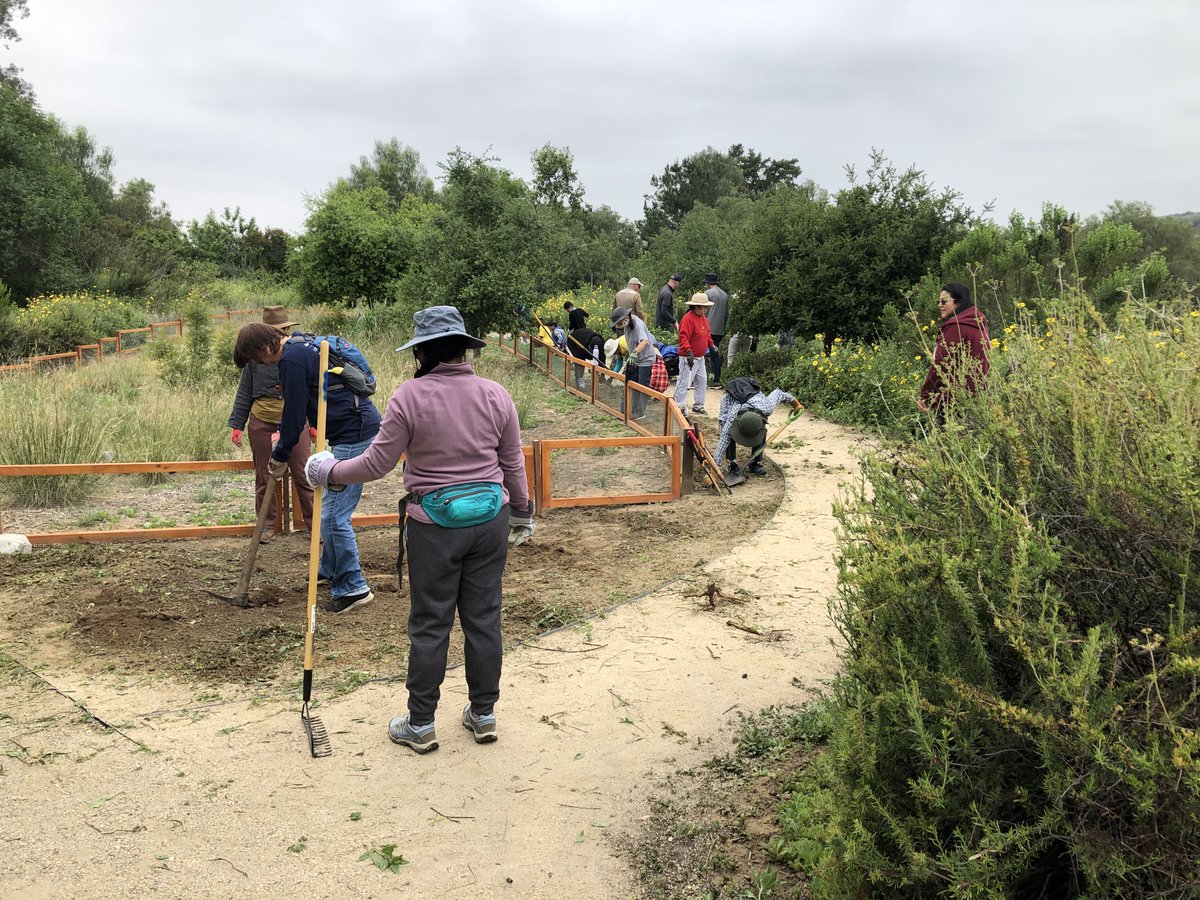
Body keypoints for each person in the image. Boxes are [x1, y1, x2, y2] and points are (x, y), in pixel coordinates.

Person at [304, 306, 532, 755]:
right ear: (465, 348)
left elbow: (375, 464)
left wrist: (329, 471)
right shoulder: (496, 394)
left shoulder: (409, 397)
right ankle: (483, 714)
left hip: (435, 526)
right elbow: (512, 462)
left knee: (431, 622)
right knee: (484, 617)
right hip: (491, 519)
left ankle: (422, 723)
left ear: (423, 351)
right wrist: (522, 510)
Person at [233, 323, 381, 613]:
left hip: (354, 433)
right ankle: (329, 568)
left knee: (335, 516)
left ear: (265, 347)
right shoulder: (305, 345)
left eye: (257, 358)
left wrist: (281, 452)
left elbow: (294, 413)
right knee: (329, 511)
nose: (262, 364)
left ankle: (353, 588)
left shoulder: (291, 358)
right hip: (352, 429)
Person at [226, 306, 314, 543]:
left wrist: (313, 422)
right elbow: (244, 391)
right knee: (264, 477)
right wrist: (237, 423)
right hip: (262, 421)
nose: (280, 335)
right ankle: (266, 526)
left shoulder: (299, 353)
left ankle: (315, 525)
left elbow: (311, 391)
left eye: (283, 330)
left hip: (295, 421)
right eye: (276, 331)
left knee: (304, 474)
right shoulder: (255, 358)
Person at [918, 281, 990, 418]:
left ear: (959, 301)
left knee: (945, 435)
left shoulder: (955, 326)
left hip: (952, 400)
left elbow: (940, 363)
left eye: (944, 301)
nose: (940, 305)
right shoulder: (978, 324)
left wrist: (925, 395)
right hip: (978, 399)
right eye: (938, 301)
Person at [713, 376, 801, 478]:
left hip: (752, 393)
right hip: (732, 395)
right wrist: (715, 469)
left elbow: (779, 393)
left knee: (761, 429)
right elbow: (720, 447)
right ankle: (732, 463)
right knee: (726, 431)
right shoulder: (732, 418)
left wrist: (797, 405)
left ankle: (755, 462)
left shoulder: (766, 407)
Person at [674, 293, 718, 415]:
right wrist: (688, 351)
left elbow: (707, 334)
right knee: (684, 381)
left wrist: (711, 344)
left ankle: (698, 405)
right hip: (688, 357)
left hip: (700, 357)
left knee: (702, 381)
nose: (706, 309)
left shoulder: (703, 318)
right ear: (697, 307)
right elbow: (683, 337)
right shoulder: (688, 318)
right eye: (704, 307)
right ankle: (678, 406)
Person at [612, 305, 657, 419]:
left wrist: (635, 352)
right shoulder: (627, 326)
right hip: (636, 359)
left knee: (642, 385)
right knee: (633, 383)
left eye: (620, 321)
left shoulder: (638, 324)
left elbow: (645, 341)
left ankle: (640, 412)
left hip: (646, 359)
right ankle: (632, 408)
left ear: (626, 316)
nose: (620, 323)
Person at [704, 273, 730, 387]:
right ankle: (716, 378)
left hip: (708, 328)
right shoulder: (725, 295)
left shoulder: (708, 294)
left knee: (701, 353)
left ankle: (703, 378)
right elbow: (726, 315)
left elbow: (703, 312)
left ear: (707, 283)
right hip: (719, 329)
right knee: (715, 354)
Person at [568, 324, 605, 389]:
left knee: (599, 360)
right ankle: (579, 381)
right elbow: (580, 360)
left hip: (585, 339)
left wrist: (603, 375)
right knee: (580, 361)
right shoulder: (582, 344)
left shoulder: (601, 343)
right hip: (573, 341)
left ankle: (599, 380)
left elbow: (602, 359)